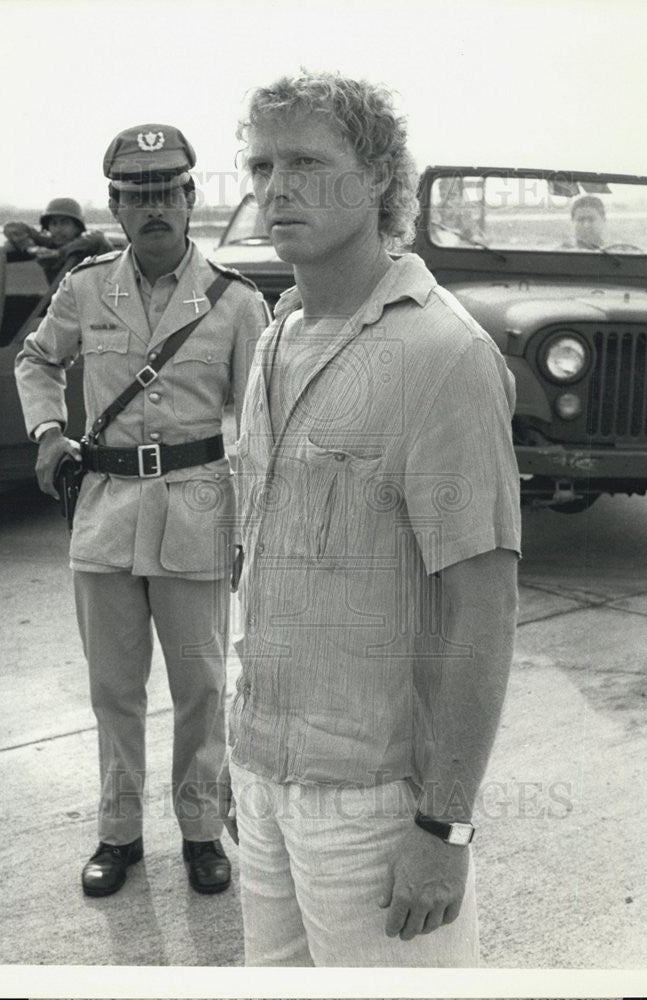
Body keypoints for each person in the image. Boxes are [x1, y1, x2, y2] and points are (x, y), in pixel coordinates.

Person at [220, 71, 521, 966]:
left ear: (380, 180)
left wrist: (446, 826)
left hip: (378, 803)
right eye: (263, 164)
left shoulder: (439, 353)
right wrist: (248, 764)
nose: (278, 188)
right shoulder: (276, 337)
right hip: (266, 782)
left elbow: (481, 609)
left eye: (310, 161)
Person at [14, 124, 269, 898]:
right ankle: (118, 835)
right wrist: (49, 428)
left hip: (196, 511)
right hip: (105, 513)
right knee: (113, 690)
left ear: (190, 200)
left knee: (199, 688)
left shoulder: (234, 301)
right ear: (117, 209)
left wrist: (255, 528)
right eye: (136, 196)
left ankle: (200, 834)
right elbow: (37, 357)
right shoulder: (87, 288)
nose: (153, 208)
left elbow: (261, 421)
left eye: (167, 192)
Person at [4, 197, 113, 285]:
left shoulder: (89, 247)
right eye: (54, 224)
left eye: (65, 223)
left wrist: (59, 253)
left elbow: (98, 237)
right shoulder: (49, 243)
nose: (58, 229)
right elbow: (12, 227)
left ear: (77, 227)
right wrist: (31, 248)